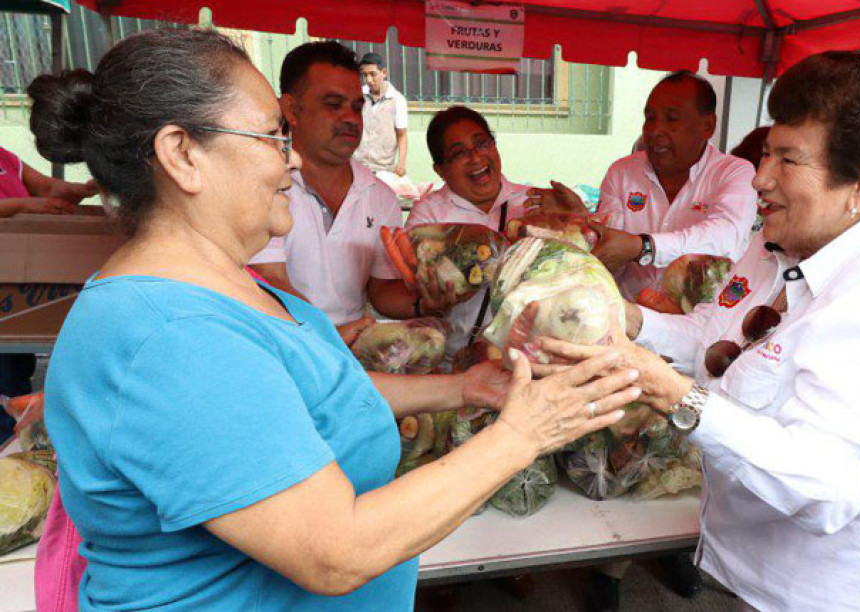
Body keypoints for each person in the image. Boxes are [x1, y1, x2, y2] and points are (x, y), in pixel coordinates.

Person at [29, 28, 641, 610]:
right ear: (183, 154)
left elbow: (318, 393)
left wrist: (462, 387)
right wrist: (523, 435)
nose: (290, 162)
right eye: (273, 136)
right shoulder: (170, 338)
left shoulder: (223, 285)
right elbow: (334, 552)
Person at [535, 49, 860, 611]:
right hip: (765, 576)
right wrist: (623, 320)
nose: (760, 178)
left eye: (787, 160)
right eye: (767, 153)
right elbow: (711, 339)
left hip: (845, 594)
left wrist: (671, 393)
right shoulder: (781, 244)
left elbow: (823, 488)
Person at [530, 71, 758, 300]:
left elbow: (725, 238)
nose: (655, 130)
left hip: (701, 326)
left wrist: (645, 246)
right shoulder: (622, 172)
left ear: (707, 126)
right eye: (650, 118)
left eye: (671, 119)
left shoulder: (734, 172)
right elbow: (609, 248)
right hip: (628, 322)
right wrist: (582, 223)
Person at [249, 42, 411, 345]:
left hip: (353, 350)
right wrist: (327, 338)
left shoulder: (381, 197)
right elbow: (270, 284)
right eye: (333, 105)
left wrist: (431, 299)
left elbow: (382, 291)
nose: (351, 118)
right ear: (291, 110)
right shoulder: (262, 185)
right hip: (280, 346)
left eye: (356, 106)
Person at [403, 106, 532, 356]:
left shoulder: (529, 202)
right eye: (459, 152)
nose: (475, 157)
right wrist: (432, 300)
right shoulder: (429, 216)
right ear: (440, 169)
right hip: (454, 361)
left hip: (524, 358)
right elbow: (412, 286)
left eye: (482, 144)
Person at [0, 145, 97, 440]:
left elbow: (45, 185)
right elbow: (29, 201)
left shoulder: (5, 157)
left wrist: (76, 190)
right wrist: (22, 206)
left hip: (16, 290)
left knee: (15, 374)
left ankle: (14, 446)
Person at [354, 52, 411, 194]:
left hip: (383, 169)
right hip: (357, 166)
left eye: (373, 74)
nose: (368, 79)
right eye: (364, 75)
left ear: (383, 72)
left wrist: (401, 163)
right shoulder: (358, 96)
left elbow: (402, 134)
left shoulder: (397, 100)